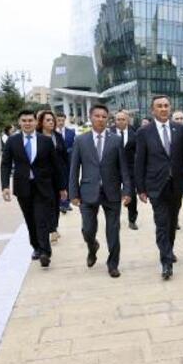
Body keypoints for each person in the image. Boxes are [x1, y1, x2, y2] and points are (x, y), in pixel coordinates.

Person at [135, 96, 183, 280]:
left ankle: (168, 249)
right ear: (152, 110)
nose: (163, 109)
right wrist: (140, 189)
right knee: (162, 224)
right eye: (159, 106)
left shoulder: (180, 130)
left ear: (170, 108)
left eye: (166, 106)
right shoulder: (144, 132)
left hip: (176, 185)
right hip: (156, 186)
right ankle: (166, 262)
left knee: (172, 223)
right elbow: (139, 162)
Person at [69, 104, 132, 278]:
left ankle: (113, 264)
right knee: (88, 229)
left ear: (108, 119)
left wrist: (127, 190)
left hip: (112, 192)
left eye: (104, 117)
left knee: (113, 230)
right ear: (91, 118)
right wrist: (73, 193)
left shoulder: (116, 140)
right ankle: (92, 246)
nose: (100, 119)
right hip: (88, 192)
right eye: (97, 116)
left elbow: (123, 169)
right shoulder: (81, 141)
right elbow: (74, 169)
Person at [1, 110, 67, 267]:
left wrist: (62, 187)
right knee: (30, 219)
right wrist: (5, 186)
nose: (27, 123)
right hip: (23, 187)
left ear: (36, 122)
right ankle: (36, 247)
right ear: (19, 122)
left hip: (43, 187)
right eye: (24, 120)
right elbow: (5, 164)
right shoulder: (12, 141)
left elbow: (56, 165)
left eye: (30, 120)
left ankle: (45, 252)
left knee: (41, 219)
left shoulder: (45, 141)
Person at [37, 111, 68, 243]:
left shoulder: (58, 136)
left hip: (58, 175)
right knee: (44, 204)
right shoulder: (37, 137)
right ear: (41, 122)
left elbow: (65, 156)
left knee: (55, 203)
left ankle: (54, 228)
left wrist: (66, 175)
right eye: (48, 120)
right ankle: (49, 229)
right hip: (42, 177)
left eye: (52, 120)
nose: (51, 122)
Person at [110, 110, 139, 230]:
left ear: (127, 120)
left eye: (123, 119)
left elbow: (138, 152)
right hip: (114, 170)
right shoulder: (109, 133)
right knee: (113, 195)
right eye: (118, 119)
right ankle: (114, 219)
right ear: (114, 120)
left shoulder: (135, 134)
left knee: (131, 194)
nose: (121, 121)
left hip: (130, 170)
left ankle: (132, 220)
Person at [55, 113, 77, 213]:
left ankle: (66, 203)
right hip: (55, 162)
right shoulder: (52, 132)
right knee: (58, 182)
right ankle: (60, 203)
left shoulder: (71, 133)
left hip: (68, 161)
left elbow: (75, 146)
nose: (60, 122)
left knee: (68, 181)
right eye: (58, 120)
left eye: (62, 120)